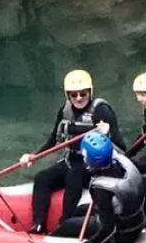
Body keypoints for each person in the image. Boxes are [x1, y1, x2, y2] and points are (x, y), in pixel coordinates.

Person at [28, 69, 125, 234]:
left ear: (90, 92)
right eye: (74, 95)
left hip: (94, 166)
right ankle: (38, 224)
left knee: (74, 175)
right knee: (42, 178)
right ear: (68, 95)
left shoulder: (102, 111)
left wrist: (106, 135)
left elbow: (121, 149)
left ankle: (65, 224)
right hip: (70, 160)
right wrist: (35, 156)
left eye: (83, 93)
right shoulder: (65, 111)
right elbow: (54, 139)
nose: (79, 98)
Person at [51, 131, 146, 243]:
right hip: (138, 221)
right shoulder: (124, 163)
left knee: (67, 226)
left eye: (84, 156)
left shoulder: (101, 190)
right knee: (81, 210)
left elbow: (109, 229)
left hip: (121, 235)